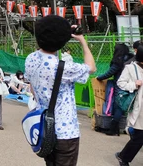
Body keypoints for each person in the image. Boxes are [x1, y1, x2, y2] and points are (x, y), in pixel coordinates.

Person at [25, 15, 96, 166]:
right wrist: (82, 41)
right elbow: (91, 67)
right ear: (61, 42)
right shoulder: (63, 68)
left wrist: (59, 34)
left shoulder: (30, 59)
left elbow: (31, 87)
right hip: (66, 132)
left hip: (44, 128)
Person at [116, 46, 143, 166]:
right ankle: (123, 157)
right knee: (139, 137)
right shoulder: (131, 68)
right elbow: (120, 83)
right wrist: (134, 84)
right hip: (139, 108)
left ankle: (123, 156)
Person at [96, 43, 131, 136]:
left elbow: (110, 72)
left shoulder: (118, 60)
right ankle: (119, 128)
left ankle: (113, 128)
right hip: (130, 85)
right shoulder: (131, 59)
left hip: (120, 84)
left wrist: (99, 78)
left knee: (118, 106)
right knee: (124, 106)